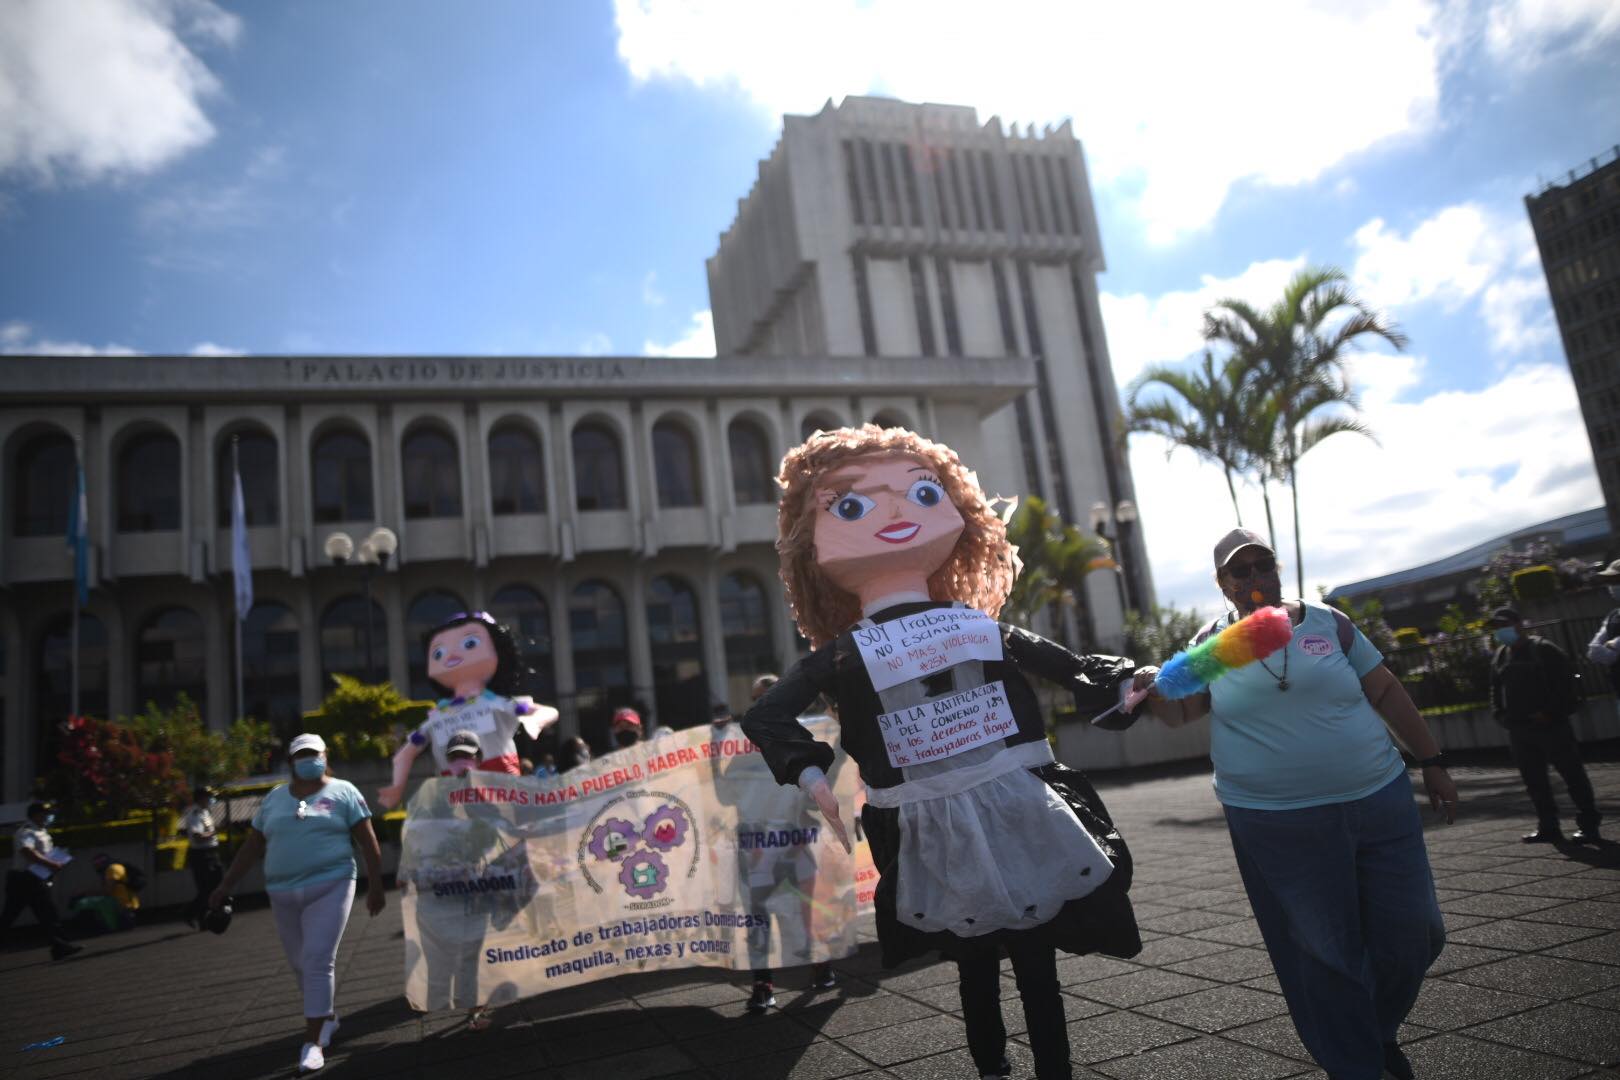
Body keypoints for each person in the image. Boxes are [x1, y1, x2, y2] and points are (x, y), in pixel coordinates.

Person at [743, 426, 1143, 1080]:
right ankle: (1005, 1068)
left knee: (1009, 957)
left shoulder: (974, 628)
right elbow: (768, 713)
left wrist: (1126, 684)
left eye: (921, 492)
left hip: (1008, 801)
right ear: (806, 541)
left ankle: (1041, 1070)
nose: (897, 513)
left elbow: (1076, 671)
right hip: (940, 817)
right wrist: (812, 775)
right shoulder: (863, 648)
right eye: (850, 506)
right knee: (983, 959)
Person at [1141, 528, 1457, 1080]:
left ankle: (1370, 1028)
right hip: (1275, 819)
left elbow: (1384, 689)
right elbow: (1180, 714)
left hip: (1378, 796)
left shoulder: (1328, 622)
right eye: (1242, 571)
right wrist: (1146, 691)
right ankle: (1356, 1062)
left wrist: (1430, 760)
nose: (1256, 578)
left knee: (1418, 934)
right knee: (1323, 949)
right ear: (1223, 584)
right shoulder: (1212, 641)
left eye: (1264, 565)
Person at [210, 733, 386, 1074]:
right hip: (282, 892)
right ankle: (328, 1018)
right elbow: (252, 846)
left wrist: (376, 886)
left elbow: (368, 842)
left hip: (332, 884)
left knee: (318, 959)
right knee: (301, 966)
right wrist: (226, 884)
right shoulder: (275, 799)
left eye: (313, 754)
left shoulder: (344, 792)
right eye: (301, 755)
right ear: (290, 762)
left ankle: (313, 1042)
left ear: (324, 755)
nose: (308, 760)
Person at [724, 686, 835, 1011]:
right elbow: (725, 796)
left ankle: (821, 963)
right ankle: (763, 982)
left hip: (793, 842)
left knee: (807, 909)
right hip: (757, 846)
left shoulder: (799, 743)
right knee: (758, 915)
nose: (764, 708)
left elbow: (818, 791)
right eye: (758, 701)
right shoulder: (741, 753)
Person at [378, 611, 558, 810]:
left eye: (470, 643)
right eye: (438, 652)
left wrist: (537, 720)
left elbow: (545, 710)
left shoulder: (497, 704)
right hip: (458, 799)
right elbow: (406, 753)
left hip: (502, 792)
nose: (452, 655)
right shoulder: (439, 716)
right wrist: (396, 787)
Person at [1491, 606, 1601, 843]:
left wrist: (1551, 713)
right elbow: (1495, 689)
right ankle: (1548, 826)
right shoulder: (1501, 655)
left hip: (1551, 726)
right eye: (1497, 627)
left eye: (1505, 624)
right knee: (1535, 782)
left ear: (1520, 624)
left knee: (1572, 776)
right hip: (1519, 729)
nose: (1502, 631)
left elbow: (1567, 685)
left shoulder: (1544, 650)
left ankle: (1589, 825)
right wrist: (1500, 715)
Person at [0, 801, 81, 960]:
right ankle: (60, 946)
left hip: (34, 878)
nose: (47, 816)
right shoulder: (27, 832)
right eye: (45, 813)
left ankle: (59, 946)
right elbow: (26, 851)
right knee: (11, 916)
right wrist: (52, 864)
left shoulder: (41, 831)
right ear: (36, 814)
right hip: (23, 880)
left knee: (47, 913)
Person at [181, 786, 223, 929]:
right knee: (206, 888)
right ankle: (192, 914)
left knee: (215, 885)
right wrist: (214, 832)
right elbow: (198, 837)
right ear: (200, 798)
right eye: (207, 797)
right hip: (202, 855)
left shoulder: (205, 812)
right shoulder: (194, 814)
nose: (210, 800)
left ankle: (203, 916)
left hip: (211, 852)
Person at [1587, 558, 1620, 719]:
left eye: (1616, 580)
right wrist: (1613, 648)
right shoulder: (1613, 615)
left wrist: (1614, 645)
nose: (1612, 586)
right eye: (1610, 581)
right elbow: (1593, 651)